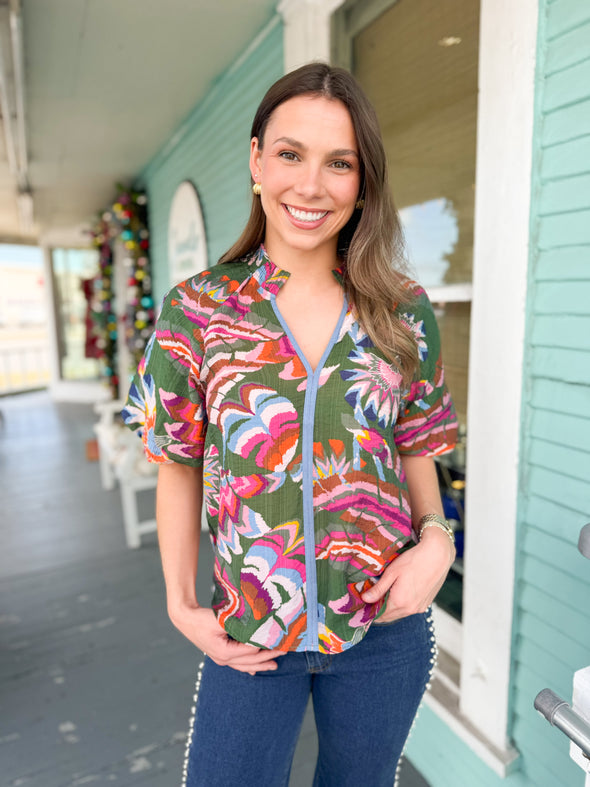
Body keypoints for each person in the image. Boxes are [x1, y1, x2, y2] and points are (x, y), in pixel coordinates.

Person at [123, 62, 458, 787]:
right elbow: (175, 463)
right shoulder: (197, 312)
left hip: (383, 632)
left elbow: (417, 448)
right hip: (250, 633)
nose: (311, 186)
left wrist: (437, 541)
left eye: (340, 162)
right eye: (290, 154)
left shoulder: (402, 309)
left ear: (363, 181)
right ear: (255, 159)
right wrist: (182, 603)